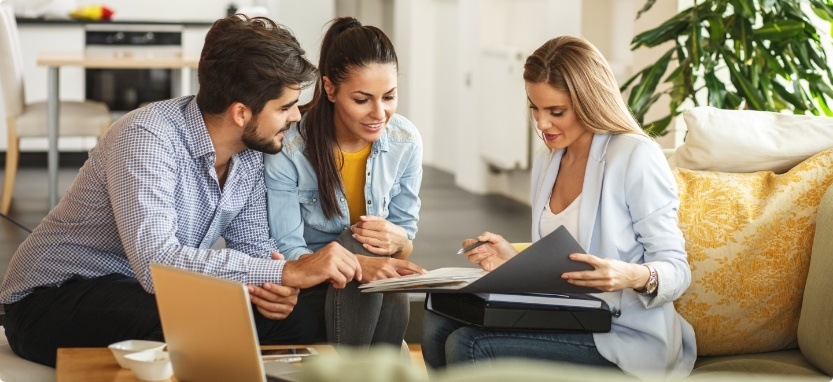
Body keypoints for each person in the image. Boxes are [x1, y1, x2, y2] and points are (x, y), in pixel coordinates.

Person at [0, 15, 364, 367]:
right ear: (241, 113)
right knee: (190, 319)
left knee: (302, 318)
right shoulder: (146, 137)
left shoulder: (251, 153)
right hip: (51, 298)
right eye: (285, 107)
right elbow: (155, 263)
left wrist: (273, 289)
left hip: (144, 291)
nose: (296, 117)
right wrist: (286, 274)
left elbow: (253, 252)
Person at [421, 36, 696, 379]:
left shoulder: (634, 156)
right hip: (568, 317)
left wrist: (632, 275)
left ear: (589, 102)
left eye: (556, 112)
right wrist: (512, 259)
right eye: (534, 107)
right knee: (436, 322)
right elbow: (563, 261)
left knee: (470, 344)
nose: (541, 124)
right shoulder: (548, 160)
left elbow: (677, 270)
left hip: (623, 335)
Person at [264, 17, 424, 348]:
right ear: (330, 89)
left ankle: (364, 369)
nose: (379, 113)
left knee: (377, 258)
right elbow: (288, 251)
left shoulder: (405, 140)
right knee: (355, 242)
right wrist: (357, 263)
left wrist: (397, 240)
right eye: (363, 100)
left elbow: (404, 244)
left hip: (373, 286)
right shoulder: (291, 148)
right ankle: (379, 365)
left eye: (389, 97)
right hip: (313, 283)